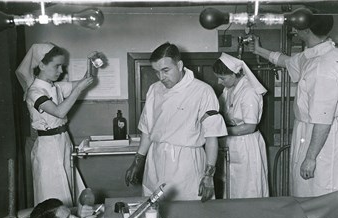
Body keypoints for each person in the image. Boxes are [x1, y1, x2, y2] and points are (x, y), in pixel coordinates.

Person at [125, 42, 227, 202]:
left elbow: (211, 136)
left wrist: (209, 175)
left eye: (166, 70)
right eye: (157, 72)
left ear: (179, 65)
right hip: (156, 160)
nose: (161, 77)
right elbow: (147, 130)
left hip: (187, 164)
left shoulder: (202, 91)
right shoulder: (154, 90)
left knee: (190, 215)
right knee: (155, 214)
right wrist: (138, 160)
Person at [251, 11, 338, 197]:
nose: (294, 31)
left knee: (319, 193)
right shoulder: (313, 55)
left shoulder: (325, 65)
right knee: (303, 190)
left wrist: (311, 157)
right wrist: (258, 49)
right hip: (307, 130)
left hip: (322, 134)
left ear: (305, 30)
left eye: (297, 27)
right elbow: (286, 61)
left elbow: (323, 118)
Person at [16, 43, 95, 206]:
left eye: (62, 66)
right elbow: (59, 112)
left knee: (70, 188)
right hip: (48, 147)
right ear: (42, 65)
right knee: (53, 193)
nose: (61, 71)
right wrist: (79, 88)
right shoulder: (35, 92)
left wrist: (91, 63)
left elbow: (83, 81)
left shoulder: (55, 87)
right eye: (57, 66)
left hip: (63, 141)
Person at [213, 53, 269, 198]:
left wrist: (220, 131)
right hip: (232, 142)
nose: (219, 82)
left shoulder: (249, 92)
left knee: (246, 189)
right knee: (231, 189)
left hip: (246, 144)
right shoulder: (229, 89)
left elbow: (249, 127)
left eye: (222, 78)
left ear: (235, 74)